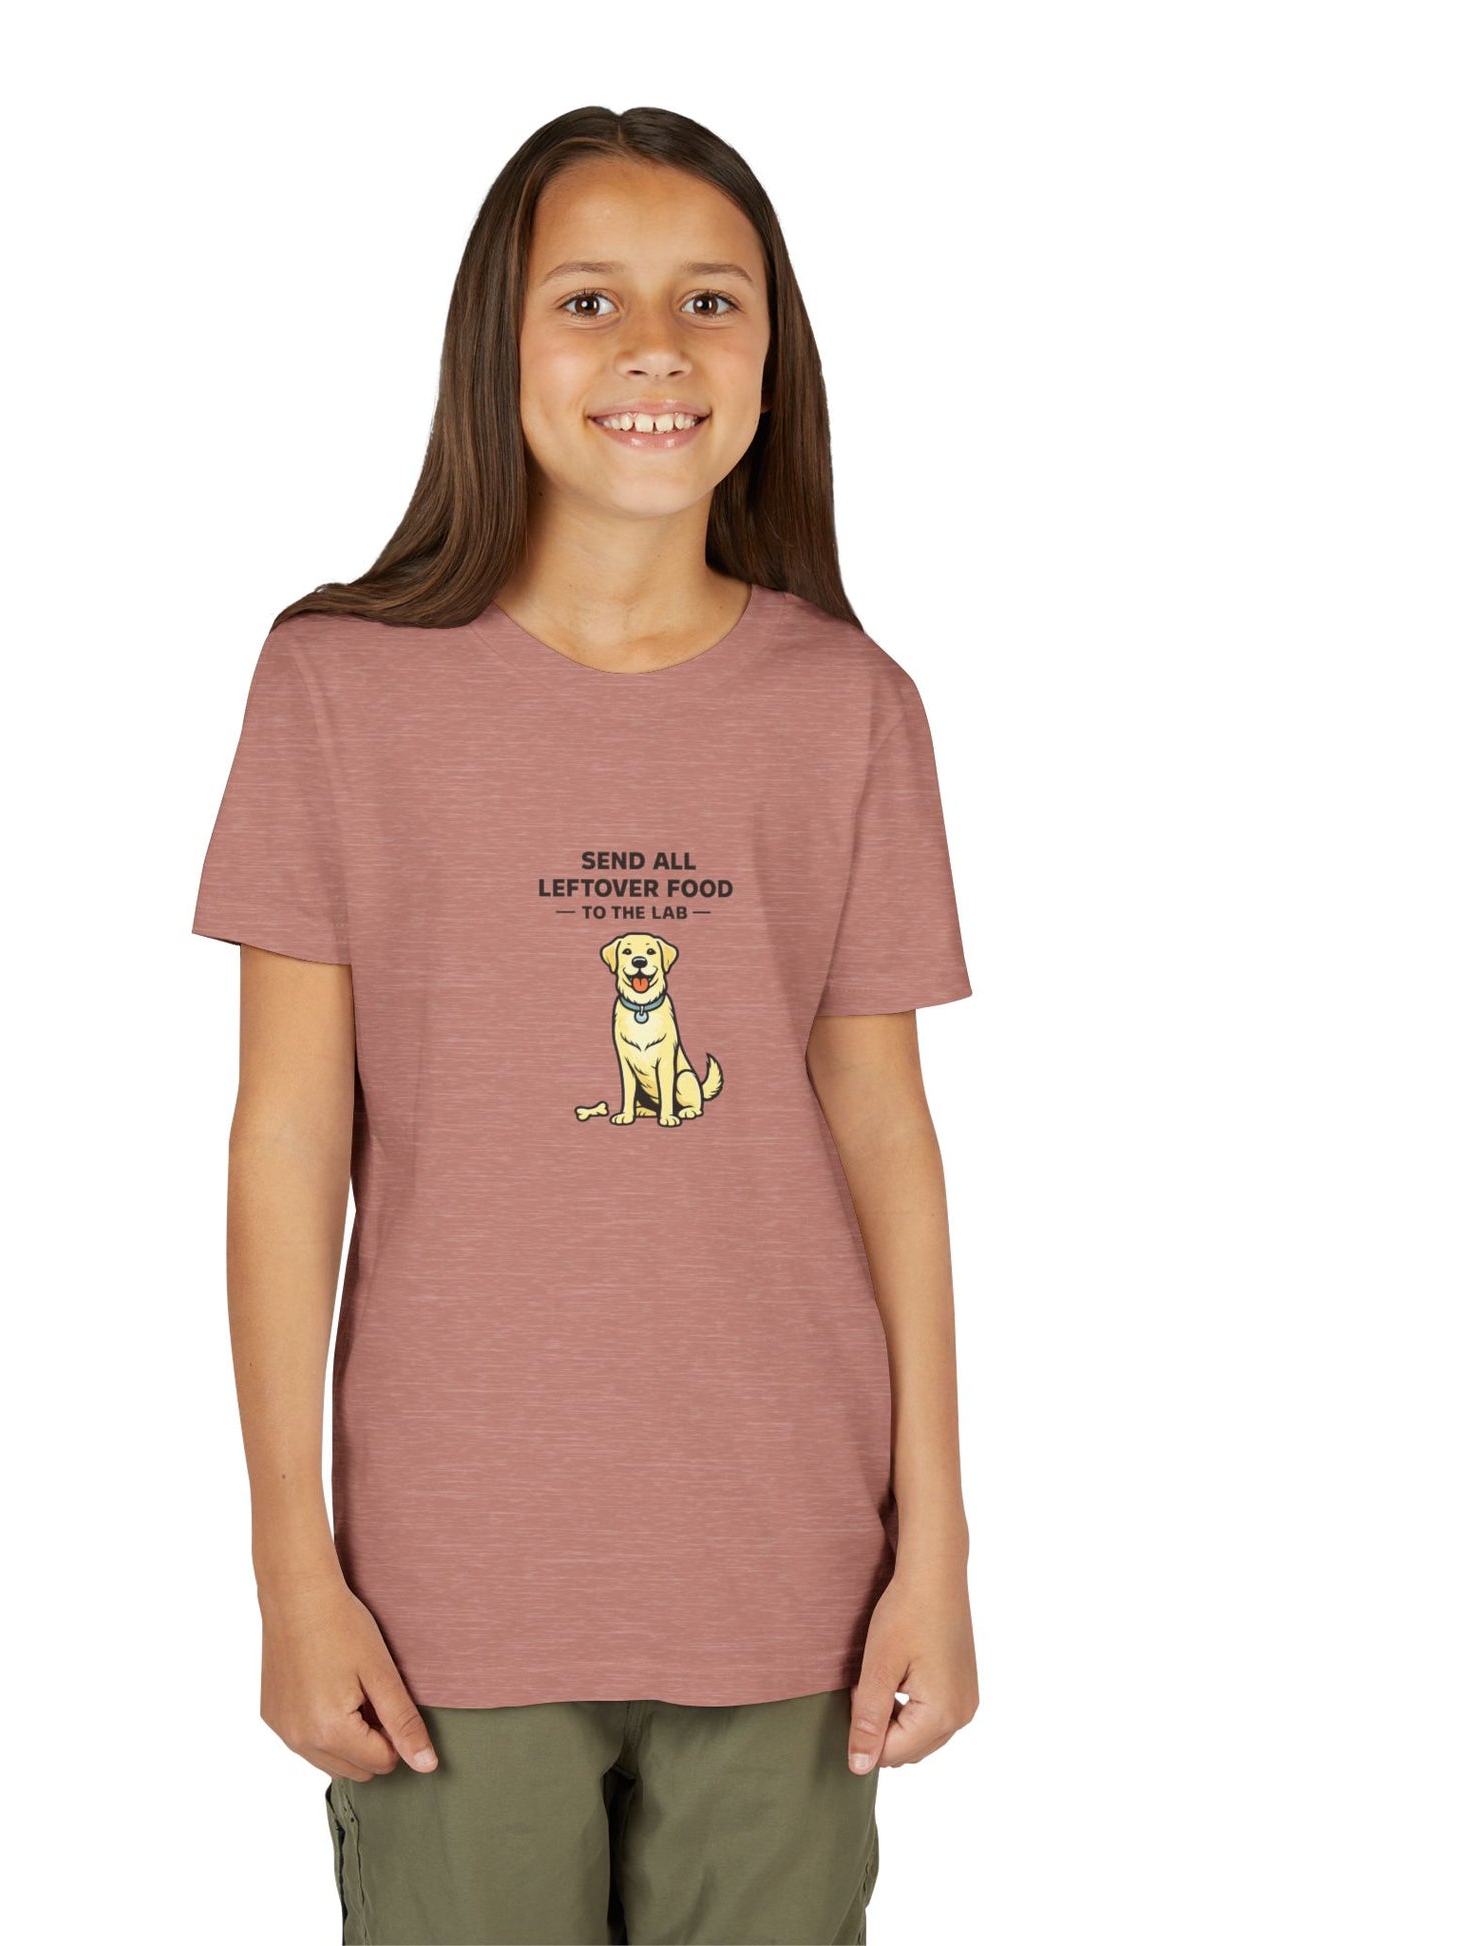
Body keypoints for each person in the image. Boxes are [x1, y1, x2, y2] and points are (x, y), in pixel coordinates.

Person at [192, 103, 980, 1946]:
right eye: (587, 300)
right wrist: (290, 1561)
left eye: (711, 300)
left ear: (771, 357)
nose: (653, 347)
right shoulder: (338, 688)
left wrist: (935, 1542)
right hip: (452, 1583)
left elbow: (883, 1130)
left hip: (787, 1561)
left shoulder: (847, 706)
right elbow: (286, 1140)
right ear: (499, 345)